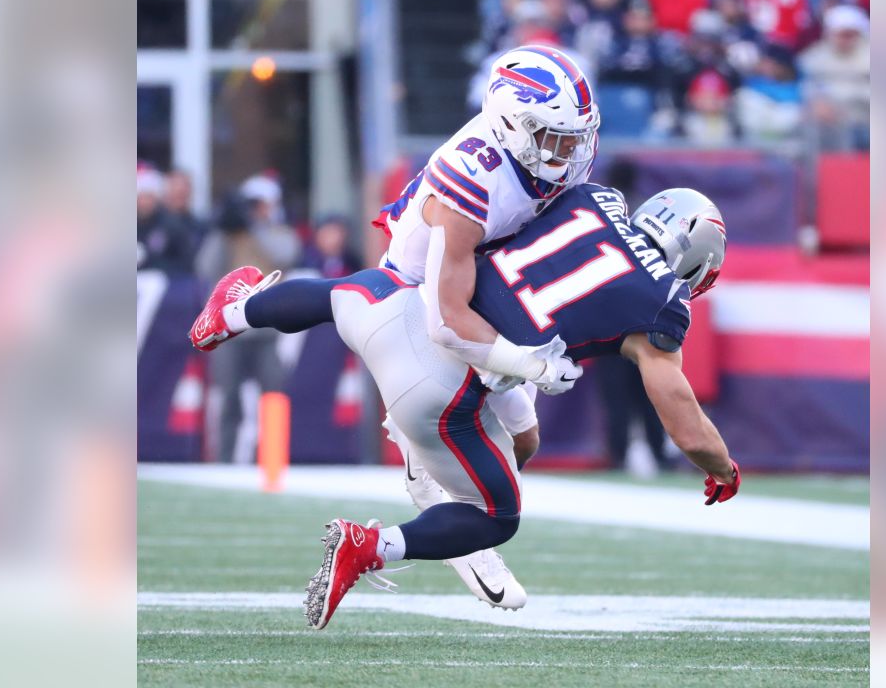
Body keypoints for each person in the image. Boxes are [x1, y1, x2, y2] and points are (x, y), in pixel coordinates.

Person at [192, 45, 601, 607]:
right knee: (355, 303)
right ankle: (452, 503)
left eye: (576, 136)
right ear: (513, 125)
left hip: (484, 287)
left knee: (524, 438)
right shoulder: (475, 180)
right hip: (419, 292)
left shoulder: (541, 158)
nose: (571, 151)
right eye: (556, 137)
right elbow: (448, 322)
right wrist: (530, 363)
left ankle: (457, 507)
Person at [289, 183, 741, 629]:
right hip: (475, 361)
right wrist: (723, 468)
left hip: (438, 301)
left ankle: (237, 309)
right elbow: (685, 425)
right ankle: (390, 532)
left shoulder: (595, 197)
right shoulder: (664, 300)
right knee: (498, 514)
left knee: (524, 439)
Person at [194, 172, 302, 463]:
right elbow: (205, 266)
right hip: (229, 329)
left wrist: (252, 225)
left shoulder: (278, 233)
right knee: (227, 397)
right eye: (250, 204)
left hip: (268, 328)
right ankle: (224, 461)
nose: (254, 209)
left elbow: (285, 255)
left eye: (259, 203)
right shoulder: (229, 234)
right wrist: (222, 229)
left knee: (273, 396)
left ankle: (271, 458)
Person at [799, 4, 870, 152]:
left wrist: (844, 102)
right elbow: (809, 87)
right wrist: (817, 103)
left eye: (850, 34)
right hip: (829, 122)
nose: (845, 40)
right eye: (841, 34)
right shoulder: (815, 57)